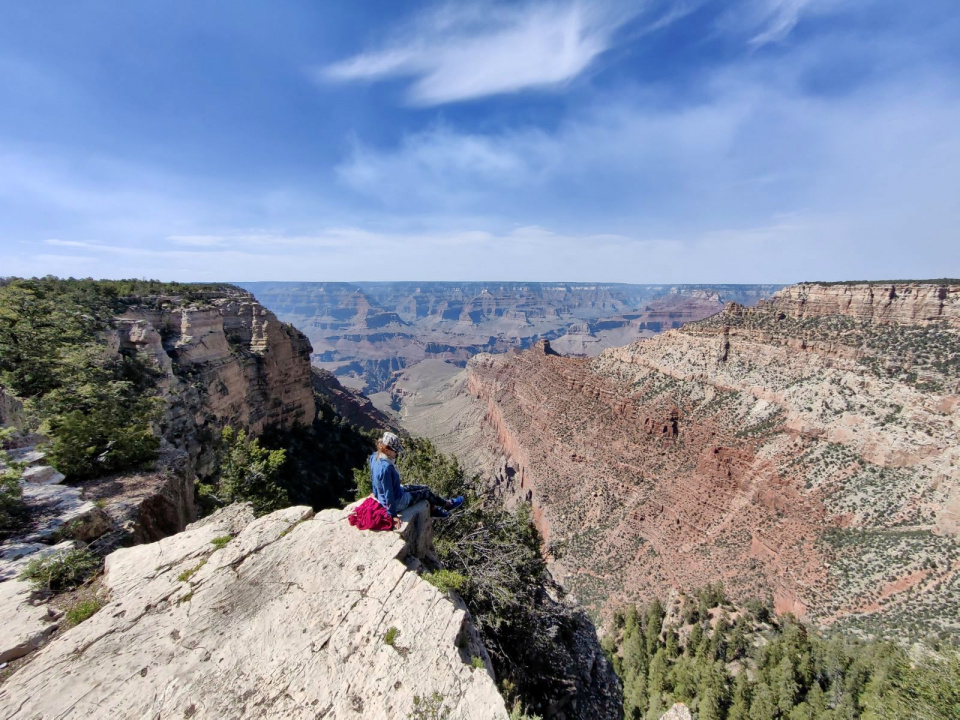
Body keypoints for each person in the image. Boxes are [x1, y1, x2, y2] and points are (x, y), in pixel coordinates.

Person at [370, 431, 464, 527]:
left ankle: (434, 510)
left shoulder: (375, 456)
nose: (397, 453)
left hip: (397, 491)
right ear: (387, 450)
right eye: (395, 450)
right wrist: (393, 515)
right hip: (398, 501)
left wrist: (375, 493)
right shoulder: (386, 468)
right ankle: (447, 505)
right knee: (426, 493)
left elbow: (374, 477)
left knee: (425, 488)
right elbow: (388, 494)